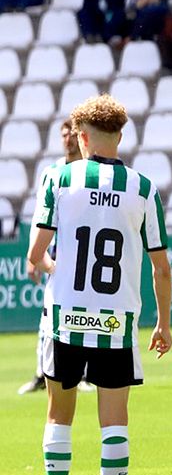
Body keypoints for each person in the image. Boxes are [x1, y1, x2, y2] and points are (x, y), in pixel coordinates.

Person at [26, 94, 172, 475]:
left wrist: (57, 269)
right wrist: (163, 323)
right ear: (120, 136)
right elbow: (160, 266)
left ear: (82, 138)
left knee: (59, 416)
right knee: (114, 422)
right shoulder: (143, 188)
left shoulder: (59, 178)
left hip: (66, 319)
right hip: (116, 323)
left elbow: (35, 254)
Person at [17, 121, 95, 396]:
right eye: (64, 135)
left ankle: (83, 373)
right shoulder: (52, 172)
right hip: (54, 256)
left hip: (83, 255)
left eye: (73, 134)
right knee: (48, 315)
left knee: (84, 315)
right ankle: (42, 373)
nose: (68, 140)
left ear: (81, 137)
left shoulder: (89, 172)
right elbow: (41, 216)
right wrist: (33, 257)